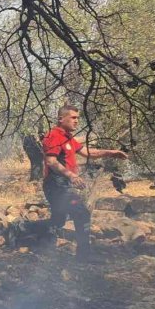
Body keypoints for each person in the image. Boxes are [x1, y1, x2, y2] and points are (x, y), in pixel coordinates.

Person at [41, 104, 127, 260]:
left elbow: (88, 152)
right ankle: (84, 254)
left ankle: (18, 228)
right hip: (56, 185)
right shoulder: (53, 135)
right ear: (61, 119)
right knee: (81, 212)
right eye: (73, 117)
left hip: (62, 184)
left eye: (78, 118)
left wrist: (111, 152)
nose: (76, 121)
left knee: (57, 222)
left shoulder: (68, 137)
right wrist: (71, 176)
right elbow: (51, 161)